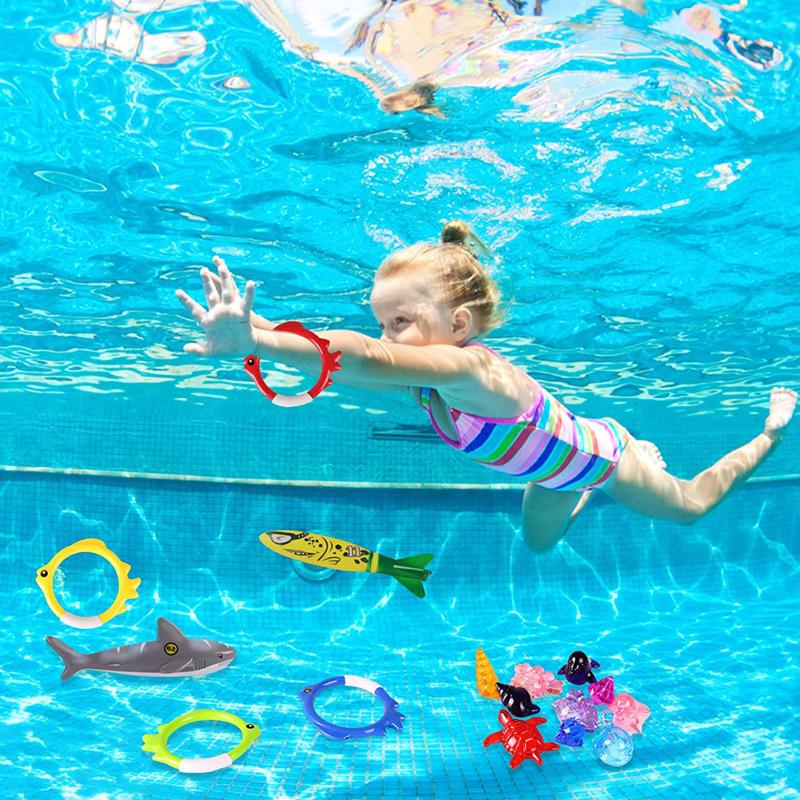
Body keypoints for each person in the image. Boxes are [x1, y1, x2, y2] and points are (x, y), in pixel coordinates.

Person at [175, 221, 797, 553]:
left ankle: (768, 432)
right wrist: (252, 329)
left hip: (603, 459)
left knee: (688, 509)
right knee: (539, 547)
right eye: (382, 322)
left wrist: (264, 345)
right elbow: (364, 360)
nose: (388, 336)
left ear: (459, 326)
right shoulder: (427, 378)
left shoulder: (472, 372)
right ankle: (582, 483)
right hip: (552, 474)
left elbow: (362, 357)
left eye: (401, 321)